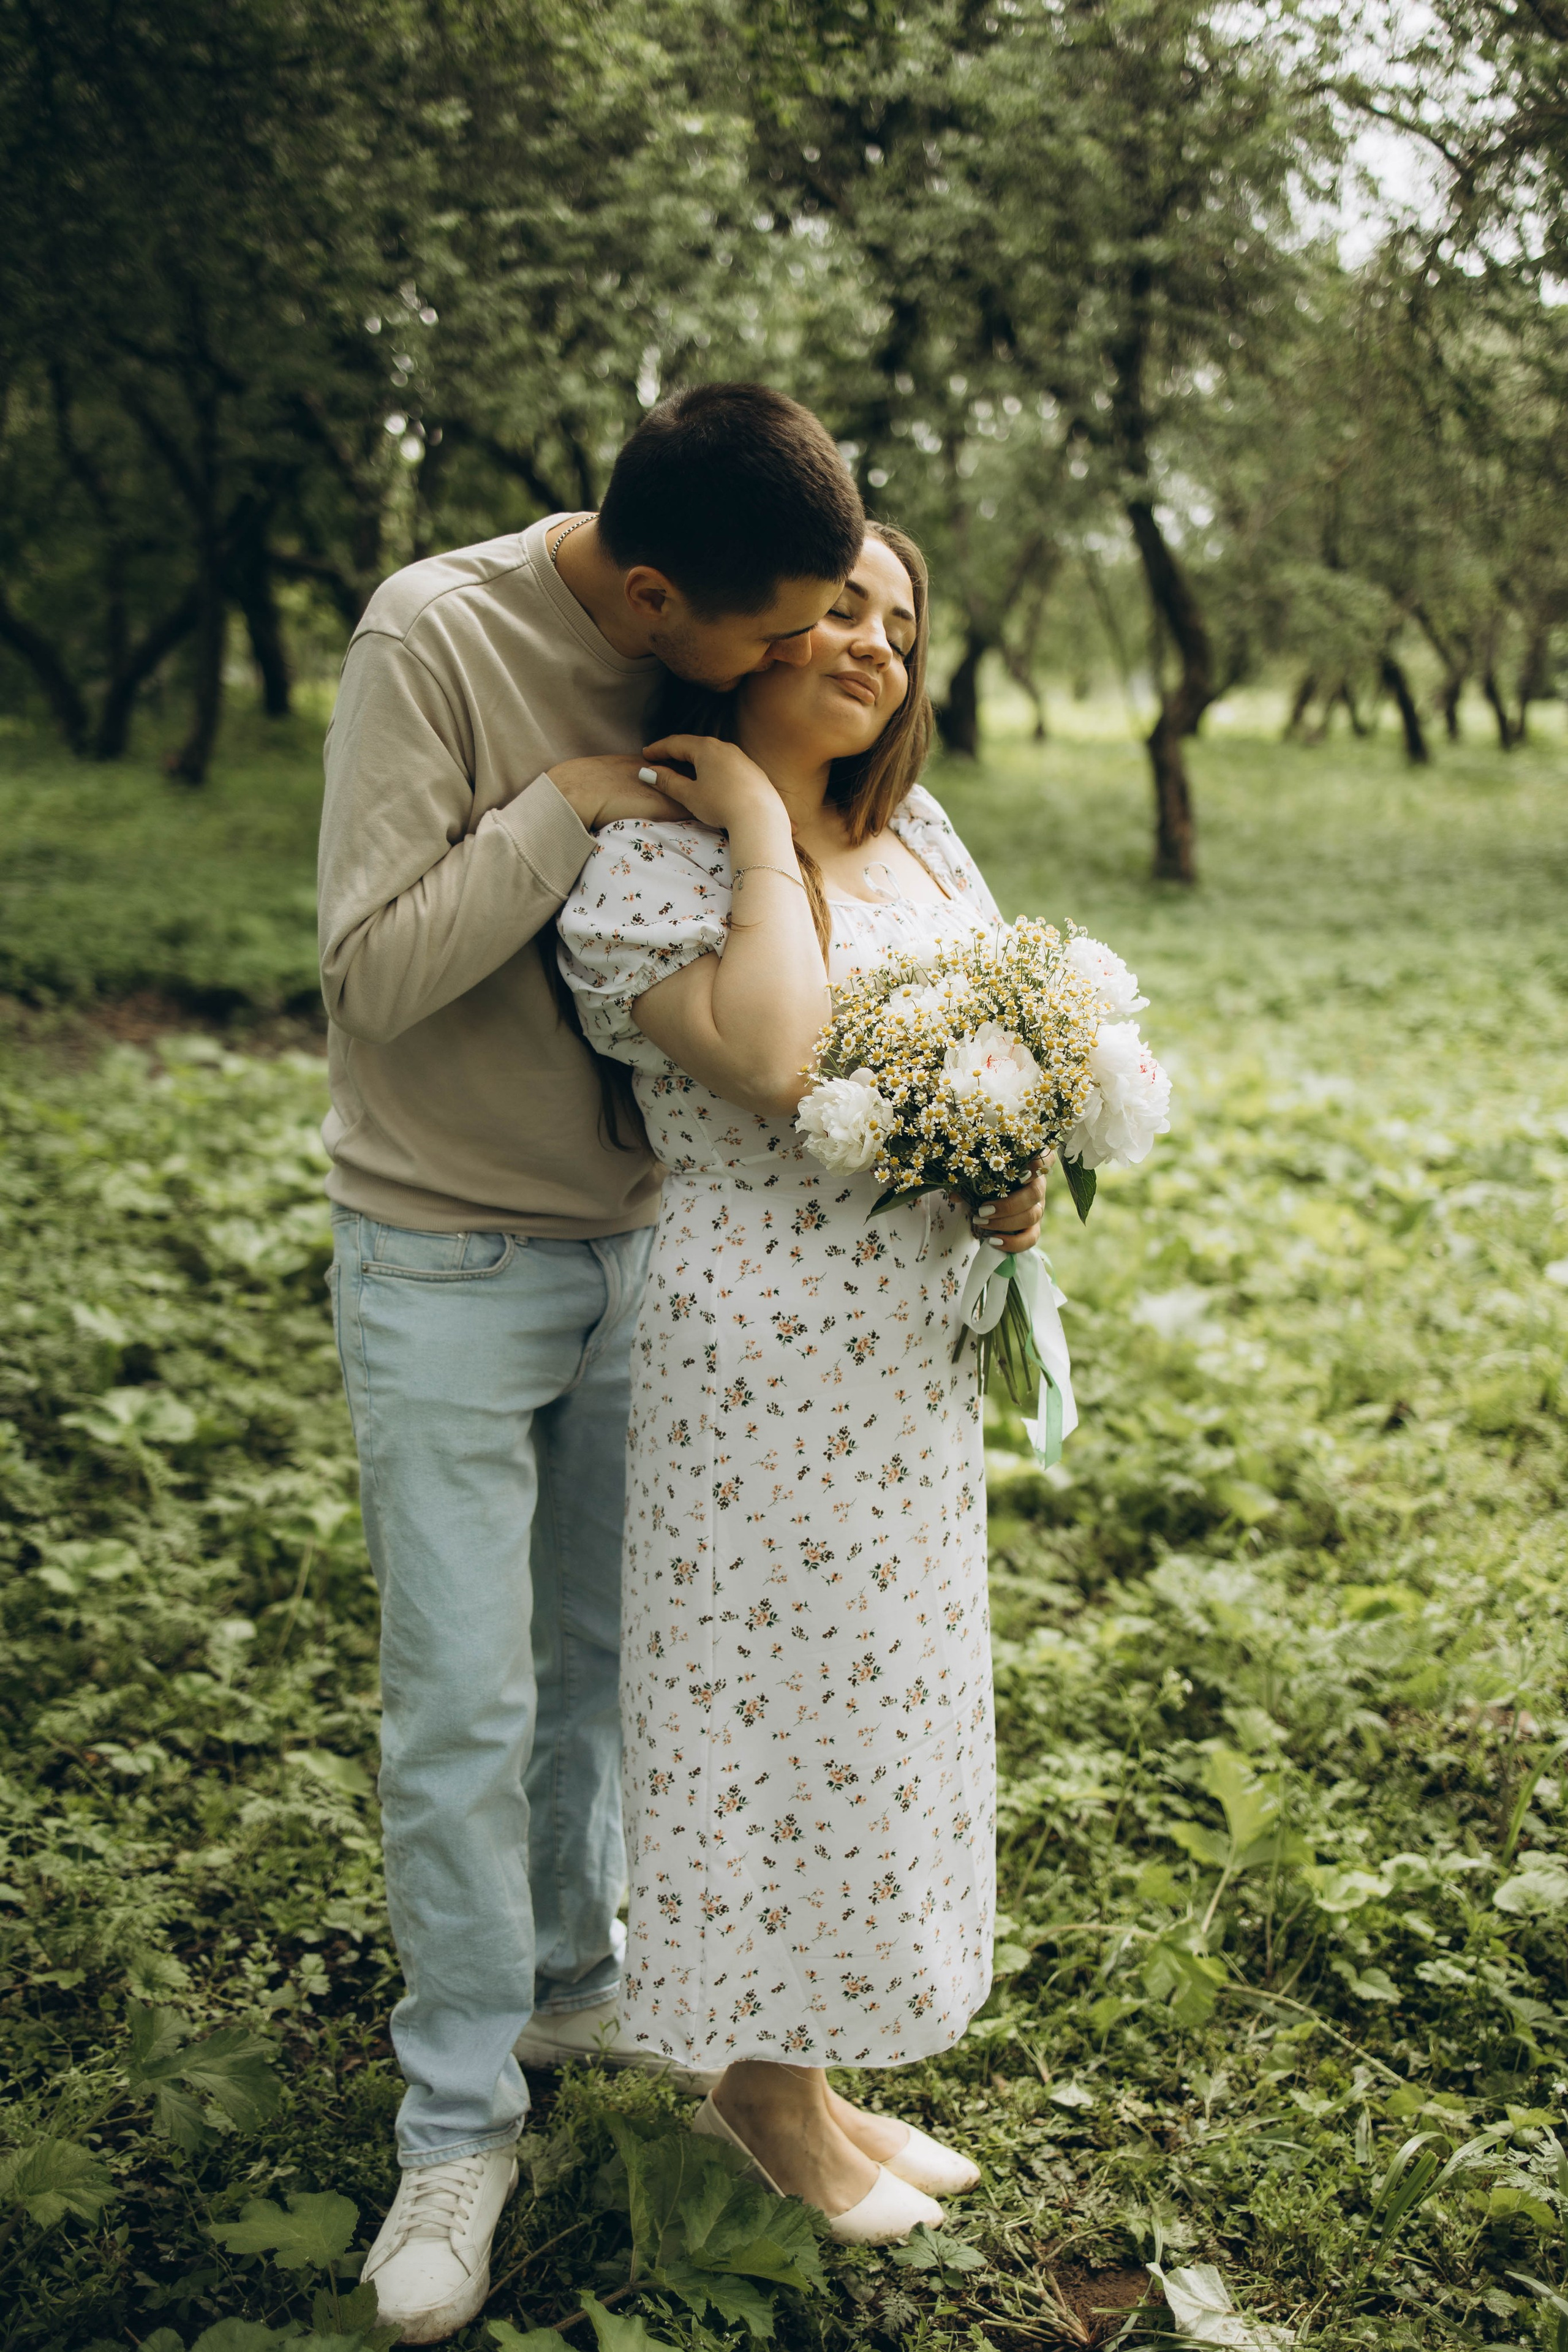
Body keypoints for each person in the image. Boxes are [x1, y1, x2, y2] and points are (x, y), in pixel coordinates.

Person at [317, 384, 868, 2345]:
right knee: (463, 1706)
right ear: (647, 595)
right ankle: (457, 2121)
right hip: (445, 1253)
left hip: (645, 1253)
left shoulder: (722, 644)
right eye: (767, 637)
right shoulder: (434, 634)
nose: (797, 663)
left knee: (612, 1679)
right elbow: (372, 970)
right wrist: (561, 807)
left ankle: (569, 1975)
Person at [557, 522, 1047, 2242]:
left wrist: (1015, 1158)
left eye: (899, 625)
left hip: (903, 1355)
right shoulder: (654, 865)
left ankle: (816, 2072)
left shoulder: (917, 830)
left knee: (877, 1709)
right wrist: (760, 823)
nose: (873, 644)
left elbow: (1006, 1030)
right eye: (839, 608)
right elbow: (772, 1060)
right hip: (756, 1347)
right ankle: (761, 2098)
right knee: (768, 1715)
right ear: (747, 628)